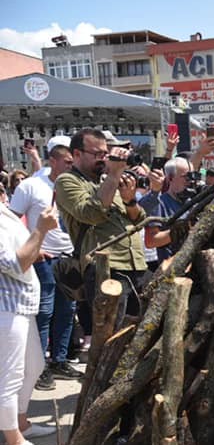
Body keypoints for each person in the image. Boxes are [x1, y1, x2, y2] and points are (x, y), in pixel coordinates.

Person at [9, 143, 83, 390]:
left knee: (67, 310)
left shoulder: (74, 186)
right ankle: (39, 367)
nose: (70, 166)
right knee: (45, 312)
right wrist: (33, 245)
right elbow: (13, 219)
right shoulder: (31, 186)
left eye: (73, 162)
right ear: (53, 160)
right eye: (67, 162)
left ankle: (59, 360)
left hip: (69, 255)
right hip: (44, 258)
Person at [56, 128, 148, 318]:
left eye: (105, 153)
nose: (103, 158)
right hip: (105, 271)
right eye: (97, 154)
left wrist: (130, 200)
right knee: (112, 335)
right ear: (77, 154)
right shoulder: (67, 181)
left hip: (136, 265)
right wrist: (114, 176)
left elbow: (138, 220)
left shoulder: (107, 181)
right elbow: (91, 214)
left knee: (147, 329)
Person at [0, 196, 59, 445]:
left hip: (21, 304)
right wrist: (41, 229)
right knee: (9, 377)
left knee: (33, 366)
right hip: (6, 306)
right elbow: (13, 264)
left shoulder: (4, 211)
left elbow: (19, 253)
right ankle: (13, 442)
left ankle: (21, 423)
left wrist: (37, 245)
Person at [139, 157, 194, 263]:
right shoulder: (159, 203)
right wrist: (182, 228)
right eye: (186, 177)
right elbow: (151, 241)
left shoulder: (193, 201)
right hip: (171, 267)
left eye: (193, 176)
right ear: (170, 178)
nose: (190, 181)